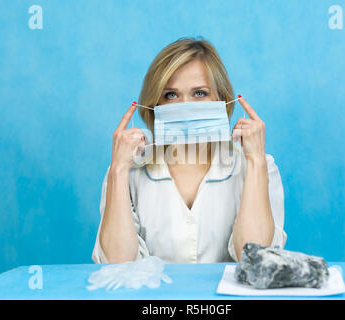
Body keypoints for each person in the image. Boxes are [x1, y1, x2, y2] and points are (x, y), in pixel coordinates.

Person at [92, 37, 287, 264]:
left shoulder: (257, 166)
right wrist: (118, 169)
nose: (185, 105)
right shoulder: (127, 171)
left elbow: (255, 259)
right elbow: (117, 263)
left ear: (221, 99)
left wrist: (255, 162)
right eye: (171, 95)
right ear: (155, 104)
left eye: (200, 93)